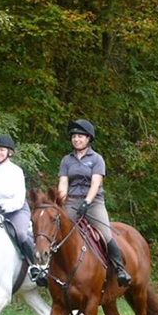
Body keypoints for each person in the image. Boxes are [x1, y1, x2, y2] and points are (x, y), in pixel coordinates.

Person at [58, 119, 131, 287]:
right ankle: (46, 270)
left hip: (94, 202)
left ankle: (120, 269)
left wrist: (86, 202)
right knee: (56, 230)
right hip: (72, 202)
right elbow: (63, 184)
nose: (76, 139)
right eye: (74, 137)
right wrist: (60, 202)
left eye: (80, 137)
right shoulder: (66, 161)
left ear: (88, 138)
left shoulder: (97, 159)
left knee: (105, 233)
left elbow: (95, 184)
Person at [0, 135, 42, 283]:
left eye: (2, 150)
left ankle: (36, 267)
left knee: (20, 234)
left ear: (9, 152)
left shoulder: (16, 171)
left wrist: (4, 210)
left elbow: (19, 199)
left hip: (16, 211)